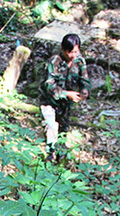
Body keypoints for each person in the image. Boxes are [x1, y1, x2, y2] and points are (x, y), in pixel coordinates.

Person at [40, 33, 90, 162]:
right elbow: (49, 86)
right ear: (63, 49)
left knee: (63, 131)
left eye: (76, 52)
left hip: (66, 104)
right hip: (49, 101)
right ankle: (50, 157)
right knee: (51, 127)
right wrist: (67, 94)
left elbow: (85, 80)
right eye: (70, 52)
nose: (73, 55)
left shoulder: (79, 61)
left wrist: (84, 91)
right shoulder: (54, 62)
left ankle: (61, 158)